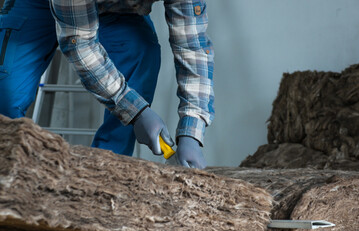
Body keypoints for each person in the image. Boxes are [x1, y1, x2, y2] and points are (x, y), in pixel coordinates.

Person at [0, 0, 214, 169]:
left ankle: (105, 176)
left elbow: (192, 47)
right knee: (5, 92)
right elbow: (80, 44)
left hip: (117, 11)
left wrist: (192, 129)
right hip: (37, 4)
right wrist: (136, 112)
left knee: (140, 53)